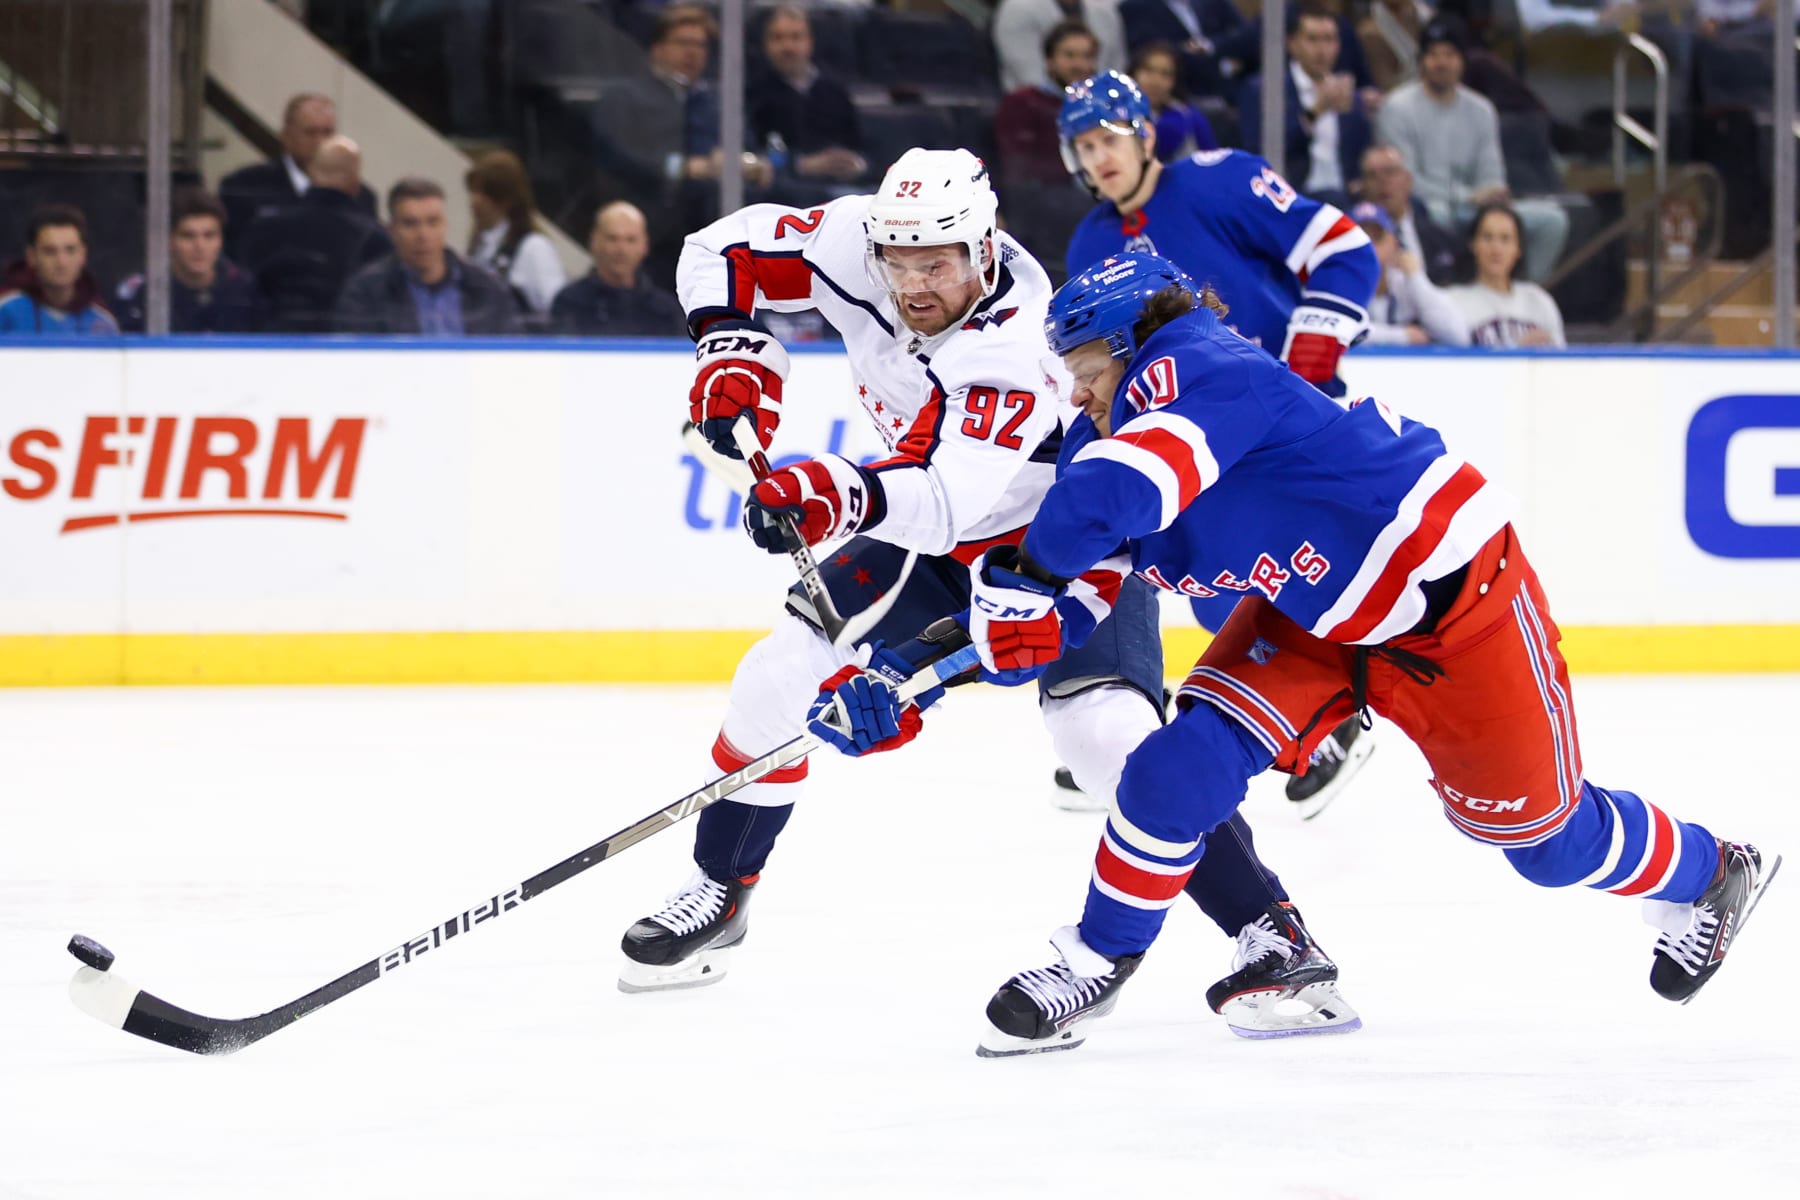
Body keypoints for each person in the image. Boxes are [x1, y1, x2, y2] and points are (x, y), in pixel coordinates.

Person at [813, 252, 1780, 1055]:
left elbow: (1123, 498)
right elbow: (1065, 615)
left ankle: (1709, 872)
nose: (1074, 386)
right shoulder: (1103, 432)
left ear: (1132, 337)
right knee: (1168, 771)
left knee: (1540, 842)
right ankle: (1095, 961)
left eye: (1084, 363)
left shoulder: (1202, 365)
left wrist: (1023, 574)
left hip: (1456, 608)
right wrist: (916, 672)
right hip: (1314, 620)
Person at [616, 148, 1361, 1041]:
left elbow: (948, 501)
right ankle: (721, 890)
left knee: (1107, 741)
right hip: (918, 513)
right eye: (899, 262)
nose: (913, 283)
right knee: (776, 677)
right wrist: (733, 350)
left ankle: (1271, 936)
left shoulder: (1016, 337)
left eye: (937, 263)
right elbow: (715, 251)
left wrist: (833, 494)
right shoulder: (856, 240)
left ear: (985, 244)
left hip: (1057, 537)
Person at [1057, 70, 1380, 815]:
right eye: (1083, 145)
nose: (1099, 156)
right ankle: (1128, 707)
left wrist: (1312, 353)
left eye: (1108, 137)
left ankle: (1325, 718)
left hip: (1282, 426)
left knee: (1282, 577)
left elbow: (1345, 248)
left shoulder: (1221, 180)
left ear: (1142, 132)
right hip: (1196, 435)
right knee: (1200, 577)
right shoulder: (1092, 239)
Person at [1375, 16, 1569, 282]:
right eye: (1433, 54)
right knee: (1437, 214)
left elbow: (1492, 175)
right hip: (1428, 208)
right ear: (1421, 61)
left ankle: (1519, 294)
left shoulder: (1482, 110)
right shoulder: (1397, 108)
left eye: (1450, 54)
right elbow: (1406, 183)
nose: (1441, 63)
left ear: (1463, 61)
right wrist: (1469, 197)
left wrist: (1490, 195)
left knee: (1551, 221)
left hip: (1474, 209)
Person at [335, 177, 522, 335]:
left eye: (433, 222)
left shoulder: (488, 289)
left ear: (445, 226)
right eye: (410, 224)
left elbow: (512, 357)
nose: (423, 235)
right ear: (391, 231)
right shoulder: (365, 293)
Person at [244, 136, 393, 333]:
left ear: (311, 174)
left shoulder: (264, 227)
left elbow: (245, 293)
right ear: (356, 180)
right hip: (344, 350)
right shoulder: (375, 240)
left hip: (271, 347)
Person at [218, 92, 378, 264]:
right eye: (310, 133)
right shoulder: (244, 187)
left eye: (328, 133)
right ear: (286, 136)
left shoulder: (361, 197)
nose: (320, 142)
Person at [1237, 2, 1373, 200]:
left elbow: (1359, 157)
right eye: (1312, 40)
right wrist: (1315, 112)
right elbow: (1260, 152)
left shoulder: (1346, 92)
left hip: (1346, 198)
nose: (1322, 50)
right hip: (1294, 196)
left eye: (1329, 40)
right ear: (1292, 43)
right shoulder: (1264, 91)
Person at [749, 6, 868, 193]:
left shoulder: (835, 91)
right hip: (786, 191)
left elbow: (859, 147)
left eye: (795, 37)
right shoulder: (752, 93)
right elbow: (751, 155)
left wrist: (856, 163)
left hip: (841, 187)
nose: (787, 47)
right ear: (765, 44)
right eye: (778, 38)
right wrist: (803, 165)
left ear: (809, 42)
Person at [114, 189, 261, 334]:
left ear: (221, 240)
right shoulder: (141, 291)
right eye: (188, 236)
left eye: (209, 236)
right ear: (169, 241)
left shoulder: (242, 288)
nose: (200, 247)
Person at [550, 201, 687, 337]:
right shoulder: (570, 303)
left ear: (644, 245)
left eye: (631, 240)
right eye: (612, 239)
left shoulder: (665, 311)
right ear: (595, 241)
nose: (621, 250)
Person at [1350, 200, 1469, 346]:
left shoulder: (1406, 284)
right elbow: (1341, 332)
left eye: (1378, 238)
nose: (1370, 248)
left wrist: (1416, 278)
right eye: (1360, 238)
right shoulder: (1336, 284)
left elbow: (1457, 336)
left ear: (1394, 243)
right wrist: (1403, 336)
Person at [1447, 203, 1566, 348]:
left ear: (1518, 249)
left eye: (1505, 239)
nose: (1496, 248)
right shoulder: (1452, 301)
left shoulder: (1539, 301)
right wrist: (1515, 349)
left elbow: (1561, 361)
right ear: (1473, 245)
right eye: (1487, 237)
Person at [465, 149, 567, 319]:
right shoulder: (480, 247)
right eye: (473, 192)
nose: (474, 202)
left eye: (483, 194)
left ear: (505, 199)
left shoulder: (534, 249)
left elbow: (555, 309)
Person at [0, 204, 119, 336]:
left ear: (83, 254)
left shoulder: (102, 321)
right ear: (32, 256)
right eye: (50, 251)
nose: (61, 262)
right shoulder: (6, 312)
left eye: (70, 250)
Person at [1357, 144, 1462, 286]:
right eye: (1372, 175)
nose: (1382, 182)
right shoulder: (1353, 238)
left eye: (1390, 172)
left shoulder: (1439, 237)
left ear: (1408, 180)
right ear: (1363, 185)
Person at [994, 0, 1129, 93]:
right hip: (1036, 110)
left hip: (1101, 109)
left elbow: (1116, 70)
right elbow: (1030, 78)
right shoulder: (1018, 9)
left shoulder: (1104, 13)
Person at [1126, 41, 1218, 161]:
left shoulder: (1189, 117)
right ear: (1134, 73)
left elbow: (1213, 160)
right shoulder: (1117, 118)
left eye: (1165, 74)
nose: (1155, 81)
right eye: (1148, 70)